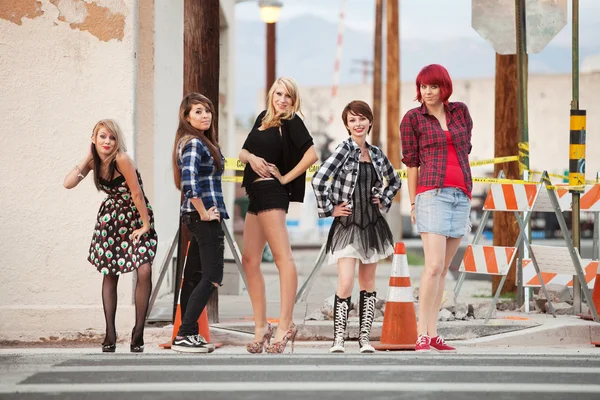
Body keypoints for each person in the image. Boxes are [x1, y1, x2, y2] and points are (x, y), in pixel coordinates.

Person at [312, 100, 401, 354]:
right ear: (346, 125)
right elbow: (319, 180)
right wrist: (330, 209)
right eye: (352, 120)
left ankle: (364, 340)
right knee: (346, 281)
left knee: (369, 282)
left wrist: (382, 199)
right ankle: (338, 339)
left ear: (369, 121)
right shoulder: (343, 150)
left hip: (372, 224)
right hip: (348, 224)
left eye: (362, 118)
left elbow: (394, 181)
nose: (358, 123)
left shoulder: (375, 154)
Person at [63, 119, 157, 353]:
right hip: (111, 220)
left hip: (136, 217)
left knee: (144, 269)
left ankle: (138, 332)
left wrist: (145, 225)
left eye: (112, 137)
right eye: (102, 136)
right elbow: (68, 184)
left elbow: (137, 193)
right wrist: (87, 158)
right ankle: (110, 333)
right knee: (110, 272)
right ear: (94, 138)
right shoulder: (95, 162)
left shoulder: (121, 159)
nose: (107, 141)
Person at [239, 77, 318, 354]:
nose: (282, 100)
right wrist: (252, 159)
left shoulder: (292, 121)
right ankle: (262, 326)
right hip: (255, 194)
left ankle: (285, 325)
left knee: (283, 257)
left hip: (273, 193)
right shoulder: (263, 117)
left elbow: (312, 155)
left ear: (294, 101)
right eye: (279, 94)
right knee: (249, 260)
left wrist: (285, 178)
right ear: (272, 94)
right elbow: (243, 150)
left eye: (288, 96)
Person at [400, 64, 473, 353]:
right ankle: (421, 333)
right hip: (432, 194)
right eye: (423, 87)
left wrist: (465, 190)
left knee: (444, 269)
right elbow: (411, 163)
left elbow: (465, 150)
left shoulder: (461, 112)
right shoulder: (413, 119)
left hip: (461, 195)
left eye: (433, 86)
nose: (427, 92)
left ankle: (433, 333)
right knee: (432, 266)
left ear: (444, 88)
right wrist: (414, 202)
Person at [170, 93, 229, 353]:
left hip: (198, 215)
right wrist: (204, 212)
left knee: (194, 277)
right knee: (212, 276)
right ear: (186, 117)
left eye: (207, 111)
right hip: (202, 216)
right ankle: (185, 333)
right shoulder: (194, 143)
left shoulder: (201, 141)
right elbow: (189, 181)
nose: (205, 115)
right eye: (198, 112)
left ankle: (189, 333)